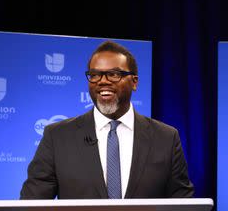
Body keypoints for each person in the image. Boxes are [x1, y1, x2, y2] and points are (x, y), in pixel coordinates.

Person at [20, 40, 194, 199]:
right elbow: (31, 206)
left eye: (114, 74)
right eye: (95, 75)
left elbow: (183, 208)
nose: (103, 81)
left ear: (134, 82)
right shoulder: (57, 136)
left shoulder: (166, 138)